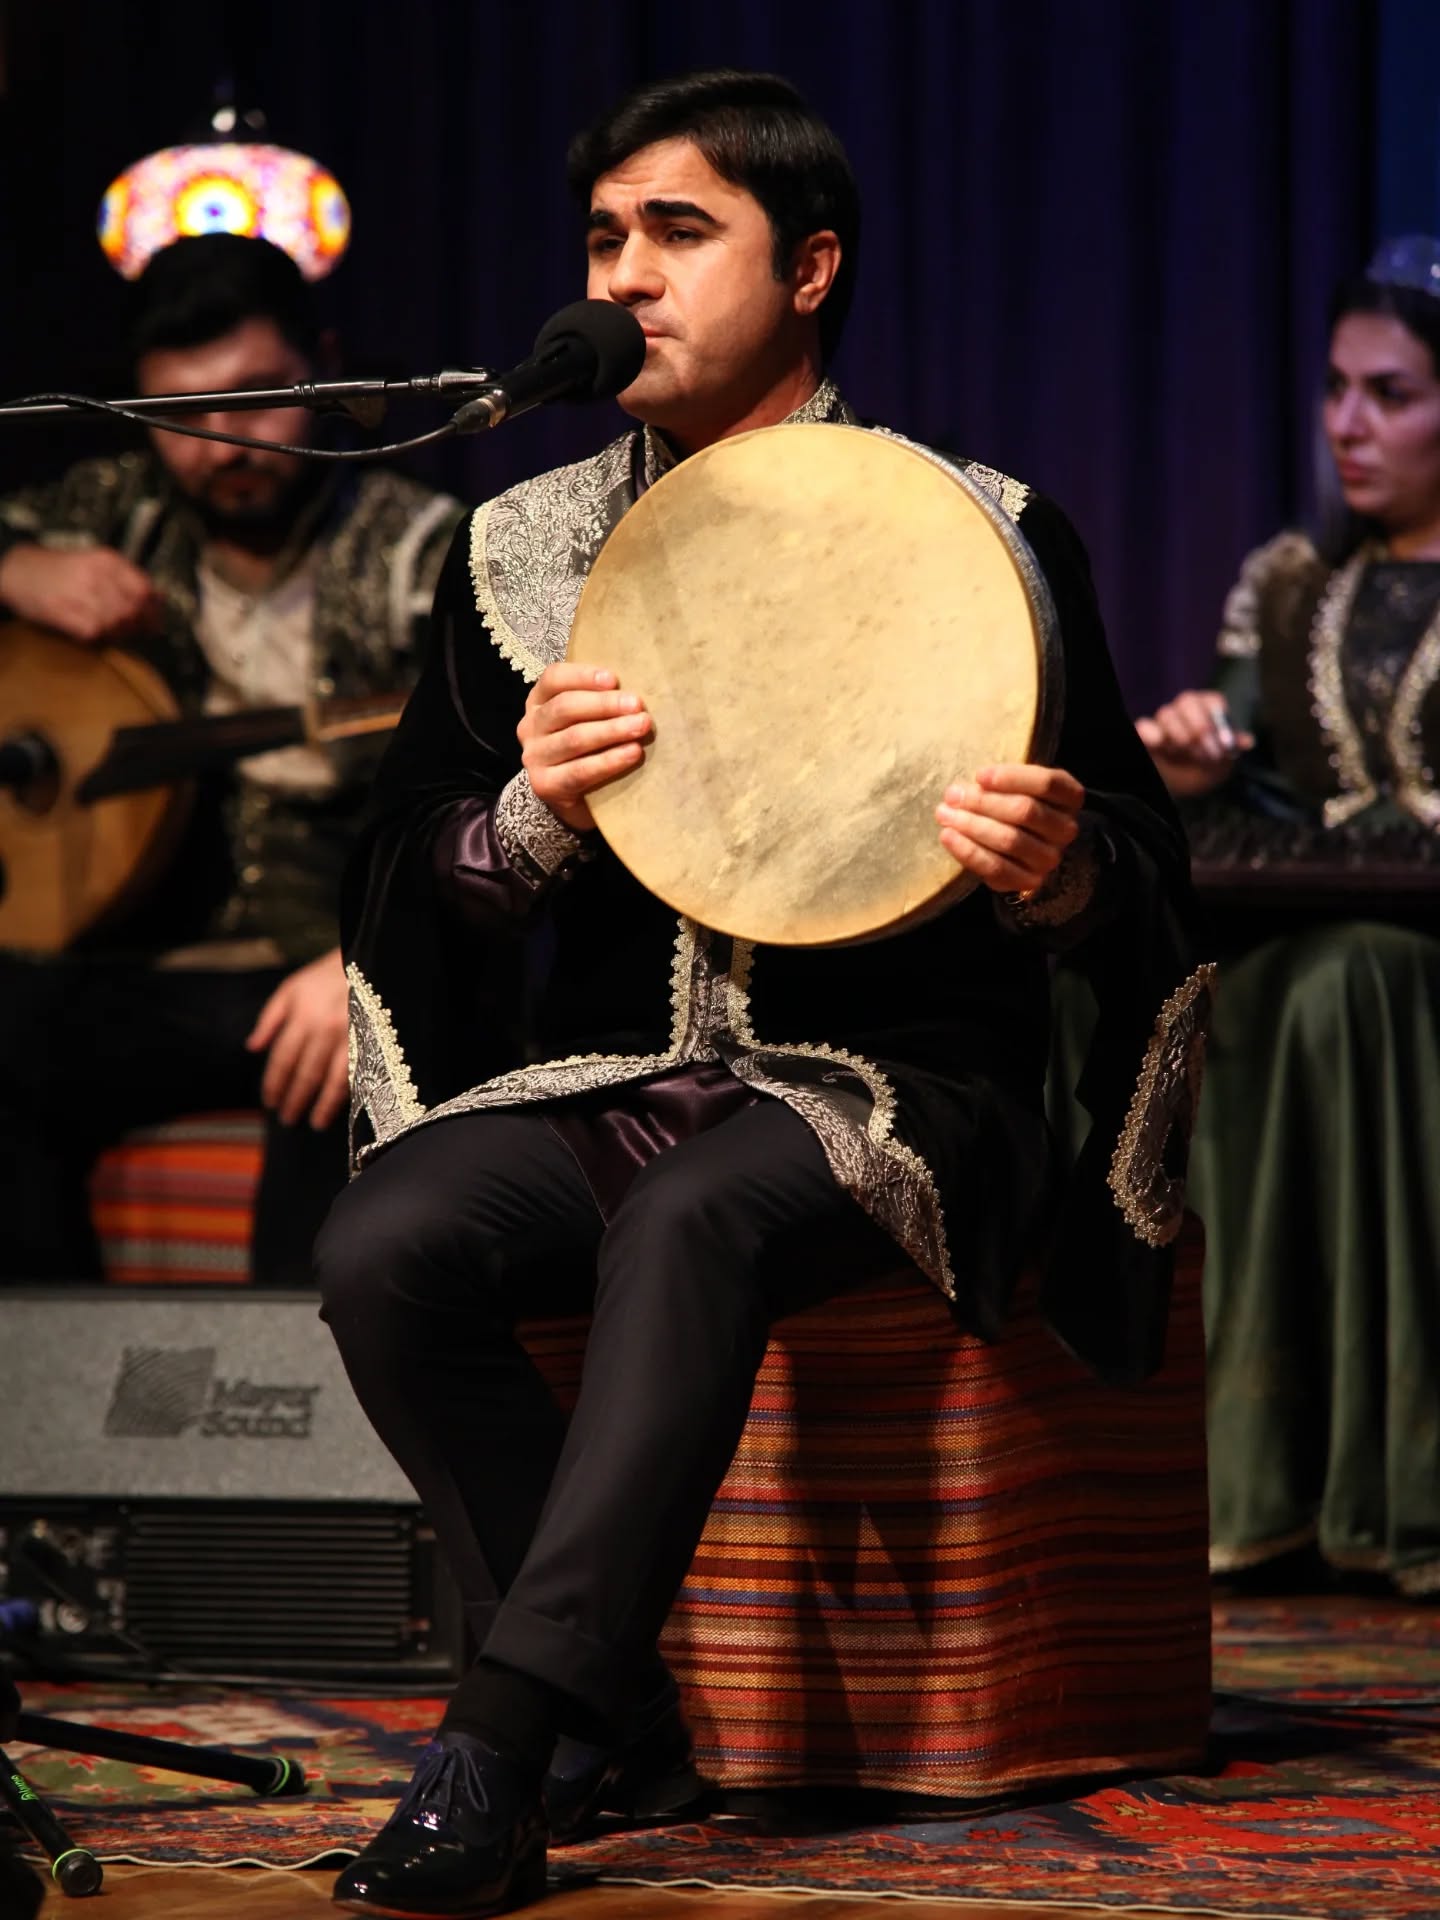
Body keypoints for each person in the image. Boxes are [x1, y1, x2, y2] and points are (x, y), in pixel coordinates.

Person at [317, 69, 1204, 1920]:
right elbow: (408, 865)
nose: (625, 276)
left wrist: (1060, 867)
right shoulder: (519, 549)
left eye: (679, 232)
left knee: (696, 1214)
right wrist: (532, 817)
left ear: (810, 270)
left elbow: (1137, 856)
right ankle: (627, 1711)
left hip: (884, 1088)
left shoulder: (980, 529)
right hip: (613, 1075)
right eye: (602, 238)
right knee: (389, 1238)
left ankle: (498, 1745)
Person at [0, 233, 463, 1286]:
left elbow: (479, 800)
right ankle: (48, 1370)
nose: (223, 443)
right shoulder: (115, 511)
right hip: (149, 971)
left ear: (325, 373)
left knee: (352, 1071)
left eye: (256, 399)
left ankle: (286, 1386)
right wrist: (19, 568)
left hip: (324, 970)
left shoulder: (423, 552)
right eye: (182, 415)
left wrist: (366, 961)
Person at [1134, 236, 1440, 1599]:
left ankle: (1390, 1482)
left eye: (1392, 393)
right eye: (1335, 389)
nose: (1348, 423)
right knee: (1215, 991)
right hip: (1324, 916)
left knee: (1340, 986)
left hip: (1401, 955)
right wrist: (1196, 756)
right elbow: (1247, 745)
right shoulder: (1292, 581)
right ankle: (1248, 1480)